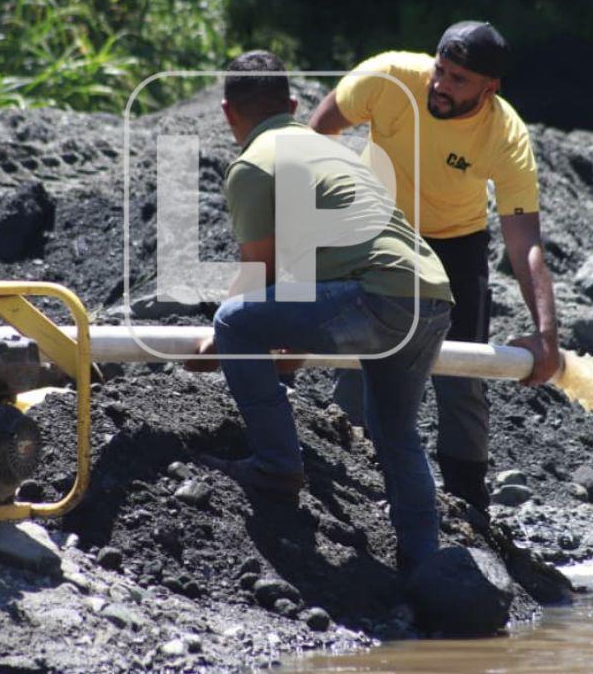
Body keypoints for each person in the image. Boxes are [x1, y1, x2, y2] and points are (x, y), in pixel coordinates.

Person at [189, 49, 454, 573]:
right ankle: (424, 564)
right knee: (395, 431)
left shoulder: (254, 165)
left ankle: (275, 467)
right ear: (292, 105)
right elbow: (307, 276)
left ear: (226, 112)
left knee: (233, 320)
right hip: (432, 293)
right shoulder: (333, 152)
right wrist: (286, 346)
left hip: (377, 294)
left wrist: (221, 344)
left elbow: (257, 278)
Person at [308, 22, 561, 514]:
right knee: (359, 359)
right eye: (440, 71)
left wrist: (546, 334)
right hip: (377, 230)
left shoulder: (505, 135)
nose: (441, 85)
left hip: (455, 245)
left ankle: (468, 500)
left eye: (459, 80)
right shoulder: (389, 77)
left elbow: (524, 240)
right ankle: (349, 479)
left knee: (463, 372)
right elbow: (317, 131)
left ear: (490, 89)